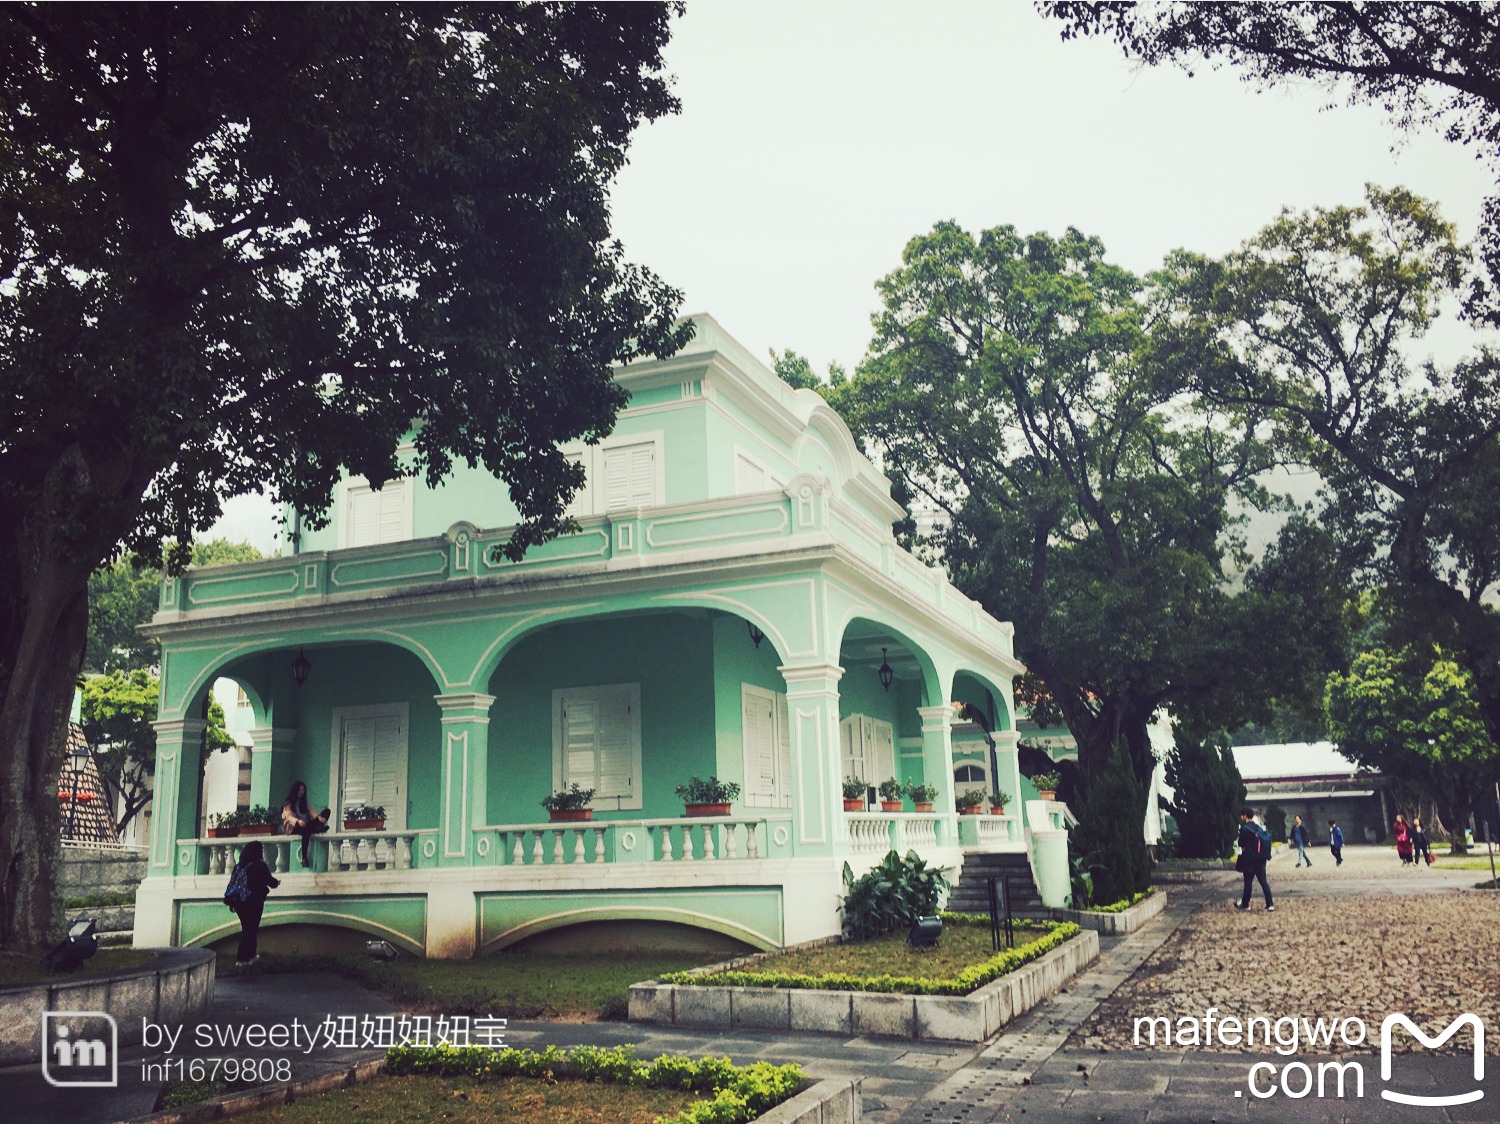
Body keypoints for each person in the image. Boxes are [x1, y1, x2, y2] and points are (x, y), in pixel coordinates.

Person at [231, 840, 280, 967]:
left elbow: (232, 884)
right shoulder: (260, 865)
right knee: (251, 929)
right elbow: (270, 881)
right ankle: (242, 959)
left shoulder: (239, 866)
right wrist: (277, 883)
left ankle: (249, 956)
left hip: (239, 903)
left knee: (247, 928)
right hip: (254, 902)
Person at [281, 780, 330, 868]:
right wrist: (298, 821)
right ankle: (304, 857)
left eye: (303, 790)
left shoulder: (303, 802)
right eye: (300, 790)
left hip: (306, 825)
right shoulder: (289, 803)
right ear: (296, 790)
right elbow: (288, 817)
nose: (301, 792)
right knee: (307, 830)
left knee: (327, 811)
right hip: (295, 827)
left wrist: (319, 818)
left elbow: (311, 812)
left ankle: (316, 828)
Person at [1234, 807, 1275, 912]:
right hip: (1261, 860)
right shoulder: (1258, 828)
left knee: (1248, 882)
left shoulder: (1244, 829)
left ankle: (1245, 904)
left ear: (1245, 816)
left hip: (1249, 860)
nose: (1241, 817)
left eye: (1242, 815)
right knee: (1263, 882)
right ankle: (1270, 904)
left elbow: (1241, 844)